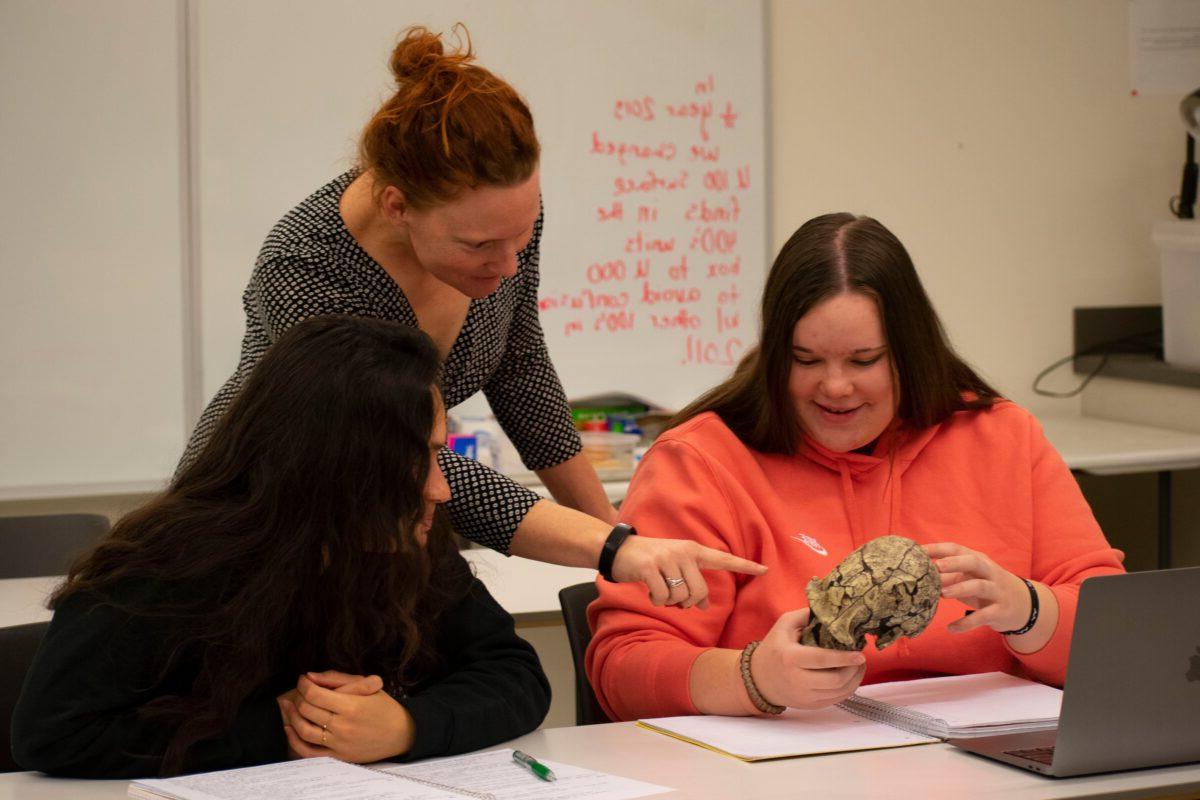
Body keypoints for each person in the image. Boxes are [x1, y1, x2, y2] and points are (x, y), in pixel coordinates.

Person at [180, 24, 762, 607]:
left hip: (396, 524)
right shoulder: (306, 270)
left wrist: (616, 526)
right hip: (265, 531)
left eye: (524, 234)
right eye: (481, 246)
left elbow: (520, 365)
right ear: (397, 205)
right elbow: (409, 459)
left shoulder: (497, 219)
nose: (508, 265)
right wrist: (611, 547)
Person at [585, 213, 1125, 721]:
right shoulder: (702, 461)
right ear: (775, 355)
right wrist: (752, 678)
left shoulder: (1003, 437)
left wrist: (1031, 610)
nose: (836, 387)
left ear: (910, 353)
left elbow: (1121, 634)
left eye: (864, 361)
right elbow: (623, 668)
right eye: (806, 360)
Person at [12, 317, 551, 778]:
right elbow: (56, 733)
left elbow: (515, 673)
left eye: (439, 455)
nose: (441, 489)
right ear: (340, 466)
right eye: (417, 461)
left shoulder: (410, 540)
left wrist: (407, 726)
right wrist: (284, 730)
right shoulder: (169, 563)